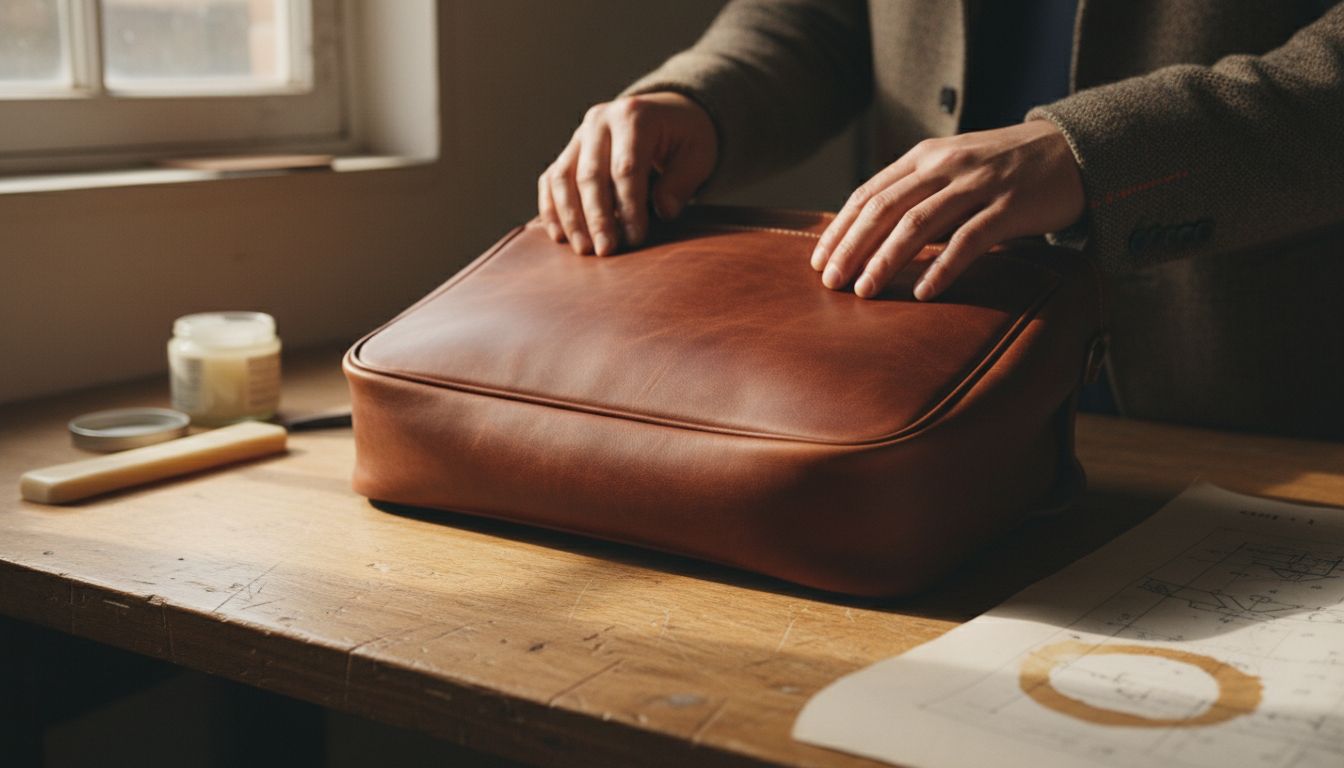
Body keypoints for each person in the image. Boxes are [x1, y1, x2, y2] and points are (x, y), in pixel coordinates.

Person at [538, 0, 1344, 439]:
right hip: (916, 423)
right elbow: (820, 17)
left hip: (1248, 409)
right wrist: (699, 98)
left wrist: (1091, 153)